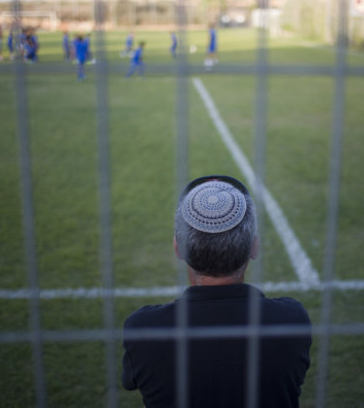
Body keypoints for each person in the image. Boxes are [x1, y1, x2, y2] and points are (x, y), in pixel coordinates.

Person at [122, 175, 312, 408]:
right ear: (254, 247)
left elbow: (129, 381)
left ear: (178, 248)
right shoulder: (292, 320)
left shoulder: (144, 330)